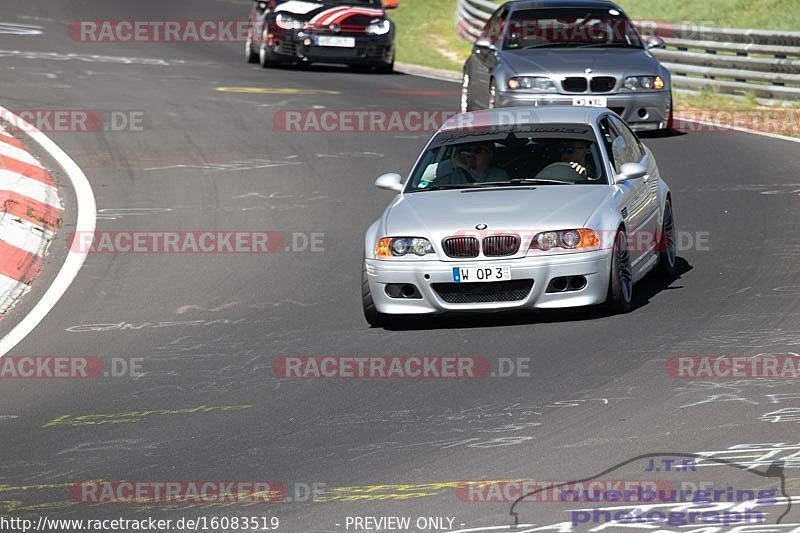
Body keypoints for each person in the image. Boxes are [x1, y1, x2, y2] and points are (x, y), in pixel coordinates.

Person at [436, 141, 510, 184]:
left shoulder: (499, 175)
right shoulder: (452, 174)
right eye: (468, 150)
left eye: (478, 150)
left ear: (490, 155)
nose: (472, 154)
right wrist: (453, 163)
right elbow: (426, 180)